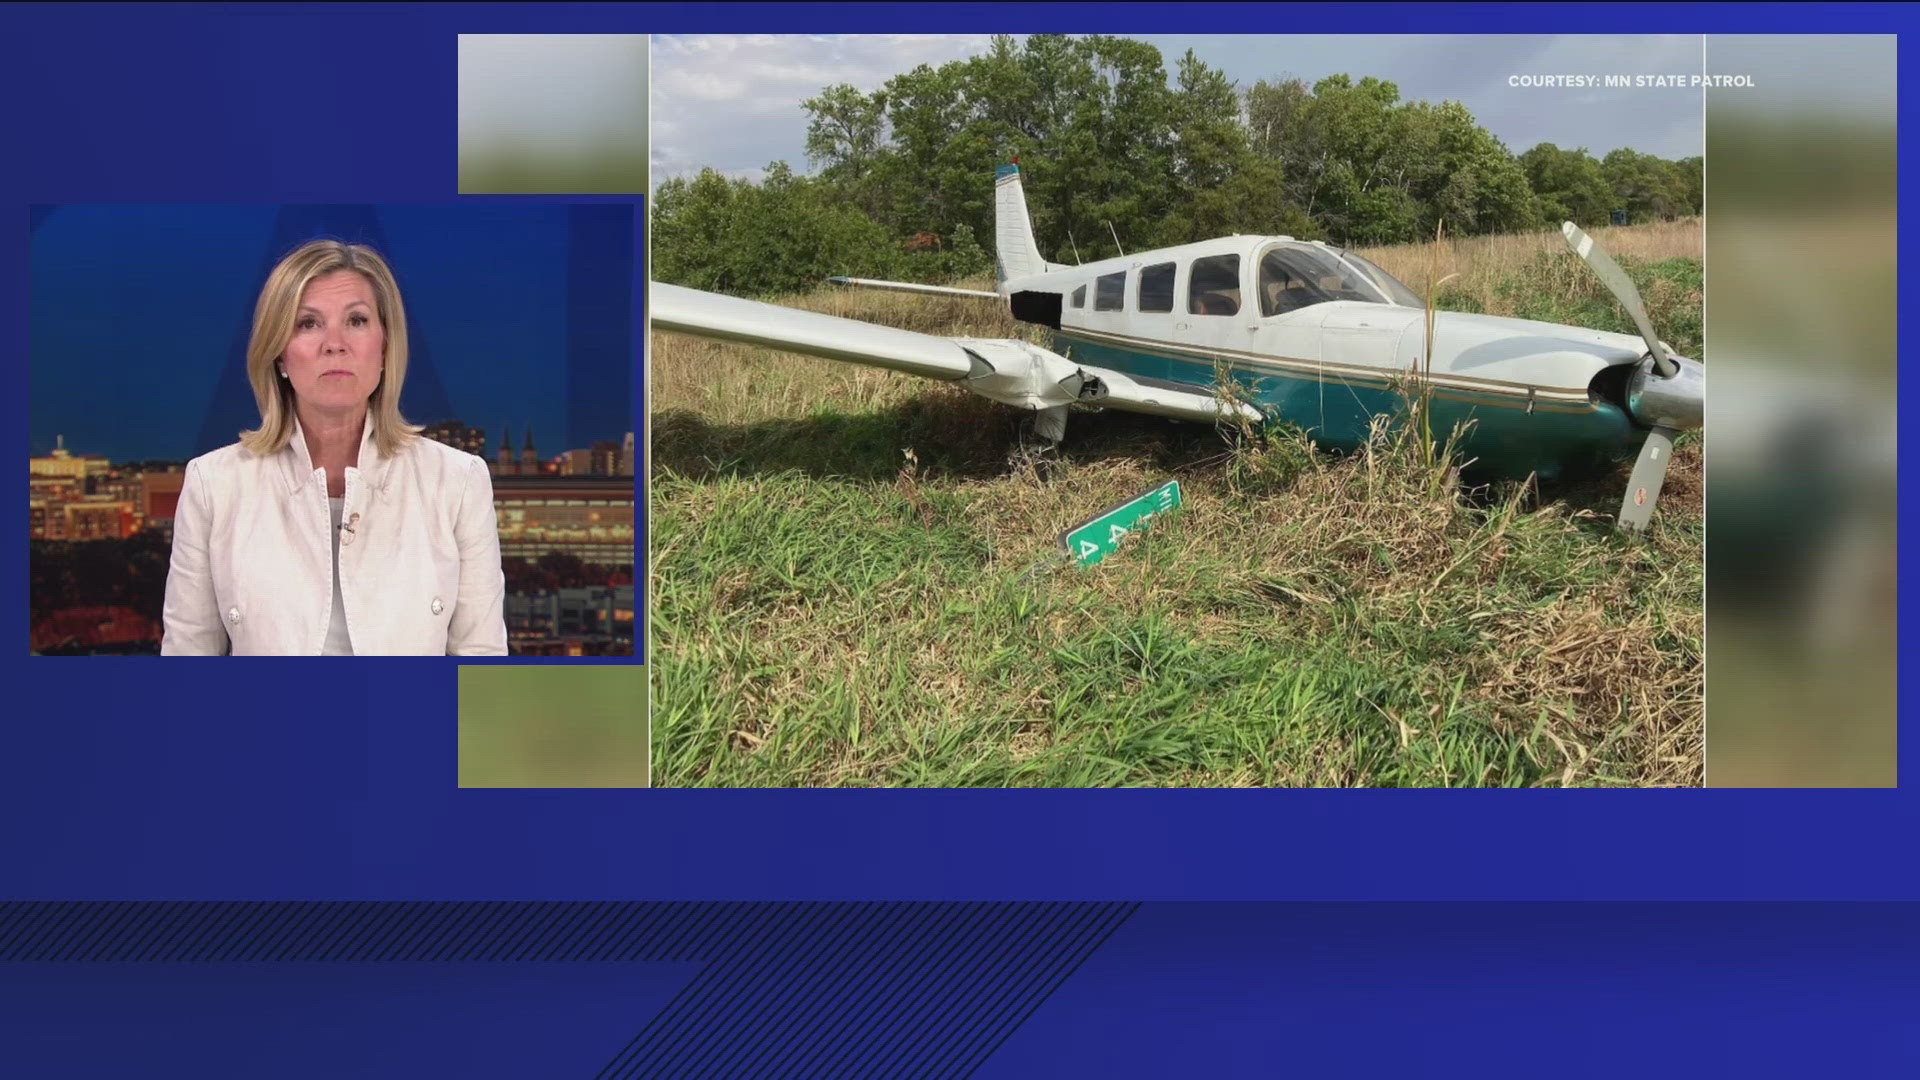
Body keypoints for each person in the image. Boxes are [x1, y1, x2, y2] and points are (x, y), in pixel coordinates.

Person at [162, 239, 507, 655]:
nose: (335, 343)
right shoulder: (213, 485)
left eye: (357, 320)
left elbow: (481, 662)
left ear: (384, 347)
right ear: (279, 356)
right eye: (308, 323)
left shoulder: (458, 483)